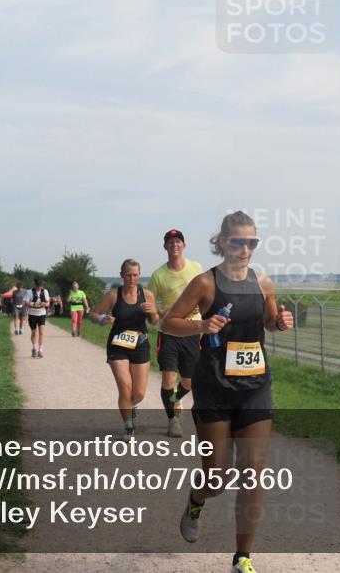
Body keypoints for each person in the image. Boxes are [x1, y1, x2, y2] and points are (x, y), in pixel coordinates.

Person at [163, 211, 293, 573]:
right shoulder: (205, 284)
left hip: (255, 388)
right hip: (215, 389)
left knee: (252, 474)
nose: (246, 249)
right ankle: (197, 498)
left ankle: (243, 558)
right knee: (217, 477)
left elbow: (267, 321)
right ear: (221, 242)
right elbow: (168, 322)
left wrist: (279, 323)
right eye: (238, 241)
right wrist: (202, 324)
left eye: (252, 242)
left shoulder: (263, 281)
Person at [87, 259, 159, 439]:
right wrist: (102, 319)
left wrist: (152, 312)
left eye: (135, 275)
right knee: (125, 387)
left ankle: (132, 406)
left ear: (139, 275)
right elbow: (93, 314)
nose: (132, 278)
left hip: (140, 344)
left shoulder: (147, 295)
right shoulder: (113, 295)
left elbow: (154, 321)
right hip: (117, 345)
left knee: (139, 393)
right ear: (122, 275)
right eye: (128, 275)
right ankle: (129, 427)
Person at [148, 229, 204, 437]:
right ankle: (173, 420)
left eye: (178, 241)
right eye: (170, 242)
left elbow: (205, 292)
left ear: (184, 245)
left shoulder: (196, 268)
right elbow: (151, 304)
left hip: (192, 331)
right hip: (169, 332)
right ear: (165, 247)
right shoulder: (158, 275)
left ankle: (177, 398)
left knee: (189, 381)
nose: (174, 245)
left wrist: (203, 309)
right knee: (168, 380)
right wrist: (163, 312)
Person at [24, 278, 51, 358]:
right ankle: (34, 348)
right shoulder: (29, 292)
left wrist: (44, 304)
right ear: (35, 284)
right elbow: (26, 302)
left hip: (42, 314)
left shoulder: (45, 291)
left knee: (41, 332)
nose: (39, 287)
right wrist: (32, 304)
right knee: (34, 332)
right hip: (32, 314)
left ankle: (40, 350)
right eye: (37, 285)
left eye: (40, 285)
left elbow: (48, 303)